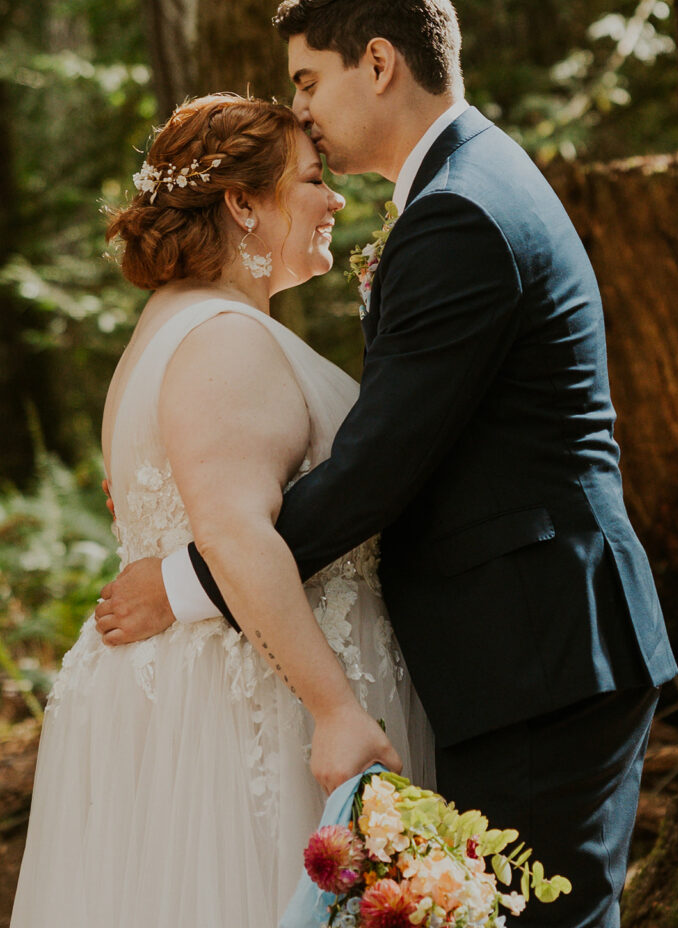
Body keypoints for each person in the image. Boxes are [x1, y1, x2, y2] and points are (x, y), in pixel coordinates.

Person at [100, 0, 678, 927]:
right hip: (526, 653)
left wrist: (189, 581)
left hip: (536, 659)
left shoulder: (457, 212)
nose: (305, 108)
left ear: (378, 63)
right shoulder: (461, 184)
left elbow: (373, 472)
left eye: (308, 80)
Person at [10, 93, 434, 928]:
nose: (335, 199)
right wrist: (335, 711)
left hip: (209, 691)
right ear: (243, 203)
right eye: (312, 180)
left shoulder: (175, 328)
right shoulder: (223, 340)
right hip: (250, 711)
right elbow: (234, 532)